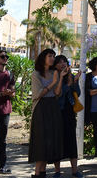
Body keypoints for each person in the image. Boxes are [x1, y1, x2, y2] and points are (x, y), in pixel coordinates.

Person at [29, 48, 66, 178]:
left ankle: (43, 173)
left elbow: (57, 93)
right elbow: (37, 94)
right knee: (41, 140)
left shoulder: (54, 72)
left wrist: (60, 79)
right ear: (43, 58)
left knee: (52, 139)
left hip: (53, 107)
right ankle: (37, 173)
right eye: (50, 55)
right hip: (40, 108)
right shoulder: (36, 74)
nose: (52, 58)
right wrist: (54, 82)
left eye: (53, 56)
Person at [52, 55, 83, 178]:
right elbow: (57, 94)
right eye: (59, 62)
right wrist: (66, 83)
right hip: (57, 112)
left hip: (69, 112)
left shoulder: (71, 76)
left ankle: (75, 170)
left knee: (71, 140)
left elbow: (78, 93)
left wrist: (74, 82)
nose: (62, 64)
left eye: (64, 61)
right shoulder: (54, 76)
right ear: (55, 65)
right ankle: (57, 171)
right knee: (57, 141)